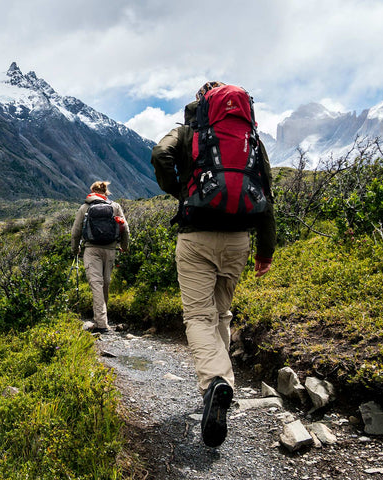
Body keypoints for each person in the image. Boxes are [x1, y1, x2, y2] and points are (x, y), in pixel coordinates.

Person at [151, 82, 276, 448]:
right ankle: (222, 385)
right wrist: (265, 252)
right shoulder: (250, 138)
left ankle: (215, 384)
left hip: (197, 236)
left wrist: (180, 190)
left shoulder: (190, 131)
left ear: (202, 103)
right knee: (222, 314)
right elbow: (266, 193)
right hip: (239, 240)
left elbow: (160, 154)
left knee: (198, 317)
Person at [71, 181, 129, 334]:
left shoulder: (85, 207)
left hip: (91, 250)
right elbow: (125, 228)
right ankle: (102, 319)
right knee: (105, 283)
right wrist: (124, 246)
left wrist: (75, 248)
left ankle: (101, 323)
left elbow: (75, 232)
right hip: (110, 250)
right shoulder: (115, 206)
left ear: (92, 192)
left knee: (96, 284)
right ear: (106, 192)